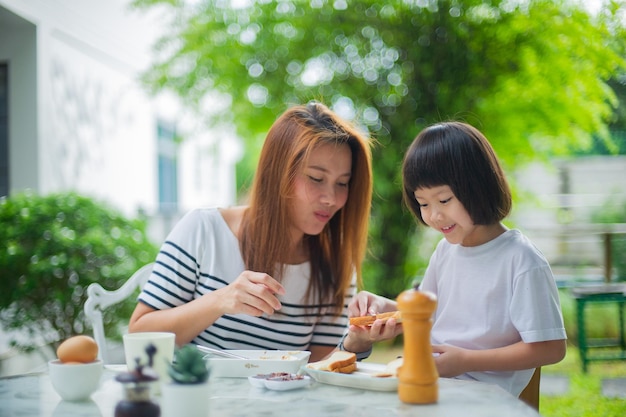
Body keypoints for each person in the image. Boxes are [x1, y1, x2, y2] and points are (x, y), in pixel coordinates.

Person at [128, 101, 373, 362]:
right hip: (197, 397)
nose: (331, 199)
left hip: (284, 404)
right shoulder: (204, 230)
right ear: (278, 173)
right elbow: (139, 335)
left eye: (342, 183)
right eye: (316, 178)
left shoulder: (336, 265)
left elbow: (320, 368)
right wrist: (220, 300)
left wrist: (356, 340)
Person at [346, 121, 567, 396]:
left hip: (485, 399)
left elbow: (551, 347)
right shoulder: (445, 251)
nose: (434, 216)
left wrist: (465, 361)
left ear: (478, 186)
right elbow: (423, 313)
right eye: (423, 203)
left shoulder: (521, 260)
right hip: (434, 383)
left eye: (444, 200)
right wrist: (381, 310)